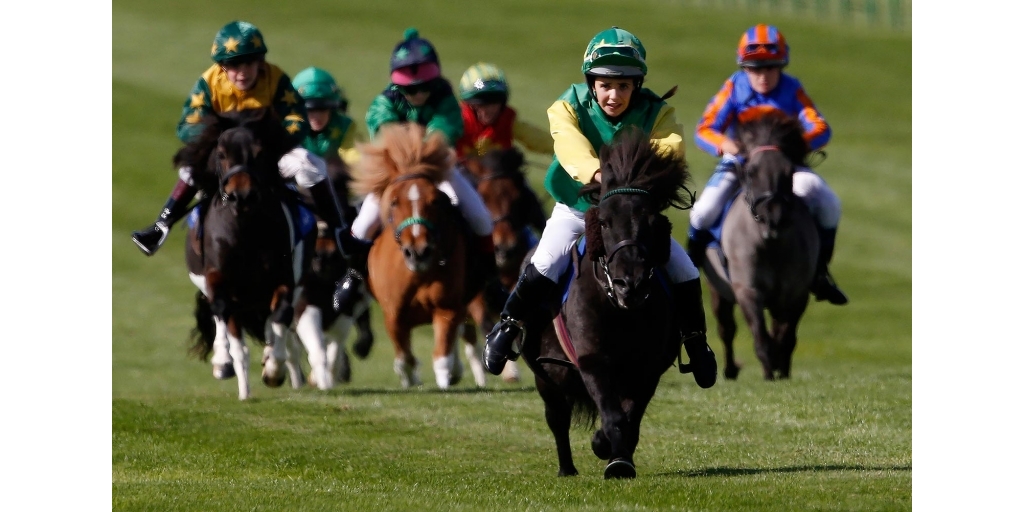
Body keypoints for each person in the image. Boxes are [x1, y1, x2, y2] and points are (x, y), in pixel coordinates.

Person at [481, 27, 717, 389]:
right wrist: (600, 174)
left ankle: (695, 341)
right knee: (545, 261)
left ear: (637, 85)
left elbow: (670, 150)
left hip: (630, 217)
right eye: (606, 85)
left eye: (624, 86)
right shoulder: (567, 105)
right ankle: (507, 327)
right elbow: (568, 144)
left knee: (684, 269)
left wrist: (634, 186)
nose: (614, 95)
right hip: (578, 206)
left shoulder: (658, 112)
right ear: (591, 83)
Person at [131, 21, 359, 264]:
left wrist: (274, 138)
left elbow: (297, 117)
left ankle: (340, 231)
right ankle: (161, 226)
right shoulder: (208, 83)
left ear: (260, 62)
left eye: (249, 63)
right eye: (234, 65)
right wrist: (221, 139)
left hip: (267, 150)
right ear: (222, 66)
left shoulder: (275, 78)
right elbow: (187, 126)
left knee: (310, 164)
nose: (243, 72)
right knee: (189, 168)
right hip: (225, 152)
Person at [334, 28, 501, 312]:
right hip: (395, 175)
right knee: (362, 225)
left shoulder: (445, 98)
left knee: (481, 217)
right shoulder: (385, 102)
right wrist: (414, 149)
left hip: (437, 170)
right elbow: (383, 129)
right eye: (410, 90)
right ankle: (353, 276)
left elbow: (444, 130)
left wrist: (417, 149)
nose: (419, 94)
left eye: (424, 86)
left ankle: (491, 281)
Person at [686, 24, 847, 305]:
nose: (762, 76)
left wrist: (793, 147)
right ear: (744, 68)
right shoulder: (734, 87)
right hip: (741, 163)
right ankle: (689, 275)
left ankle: (819, 273)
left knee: (830, 204)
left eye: (770, 68)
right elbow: (705, 129)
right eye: (755, 68)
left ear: (781, 66)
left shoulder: (792, 89)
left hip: (785, 165)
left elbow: (820, 128)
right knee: (703, 211)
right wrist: (729, 146)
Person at [455, 62, 551, 233]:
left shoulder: (508, 121)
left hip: (501, 180)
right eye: (480, 104)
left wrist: (565, 148)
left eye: (493, 103)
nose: (487, 110)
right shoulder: (457, 122)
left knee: (530, 201)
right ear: (469, 105)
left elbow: (536, 138)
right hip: (465, 178)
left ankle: (541, 238)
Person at [292, 66, 368, 170]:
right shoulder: (286, 127)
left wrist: (364, 163)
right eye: (310, 110)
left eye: (323, 109)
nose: (317, 116)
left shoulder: (344, 126)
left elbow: (352, 152)